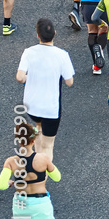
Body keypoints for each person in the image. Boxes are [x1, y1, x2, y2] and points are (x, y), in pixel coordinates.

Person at [0, 120, 60, 219]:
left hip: (21, 204)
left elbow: (1, 184)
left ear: (19, 140)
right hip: (39, 203)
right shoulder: (43, 159)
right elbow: (57, 177)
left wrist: (11, 182)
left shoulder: (11, 162)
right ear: (33, 140)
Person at [15, 18, 75, 159]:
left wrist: (27, 78)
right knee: (48, 146)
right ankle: (42, 177)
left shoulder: (28, 52)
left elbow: (20, 77)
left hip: (32, 105)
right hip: (50, 107)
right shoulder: (62, 55)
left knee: (38, 128)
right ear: (55, 33)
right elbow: (69, 82)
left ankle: (36, 159)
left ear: (38, 35)